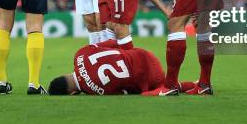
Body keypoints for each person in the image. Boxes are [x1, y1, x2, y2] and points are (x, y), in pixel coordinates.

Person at [104, 0, 228, 95]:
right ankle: (204, 84)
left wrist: (164, 8)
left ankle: (170, 86)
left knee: (174, 25)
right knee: (203, 26)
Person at [47, 41, 194, 95]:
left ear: (72, 93)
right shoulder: (80, 54)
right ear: (65, 74)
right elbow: (112, 43)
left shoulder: (96, 90)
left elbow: (125, 91)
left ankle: (184, 85)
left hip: (152, 78)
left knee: (143, 93)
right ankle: (195, 84)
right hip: (144, 54)